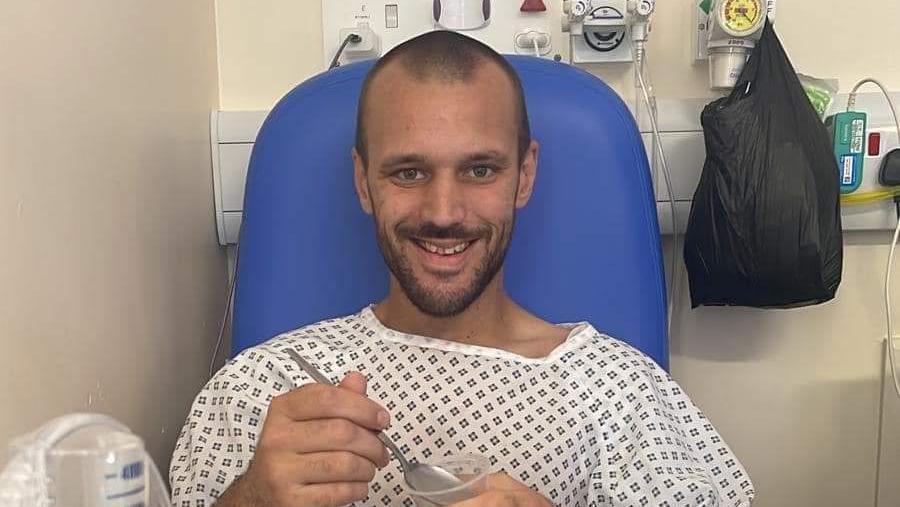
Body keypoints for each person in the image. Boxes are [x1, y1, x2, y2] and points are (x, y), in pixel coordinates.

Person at [170, 31, 754, 507]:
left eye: (479, 171)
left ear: (524, 176)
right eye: (407, 172)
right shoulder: (265, 389)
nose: (443, 213)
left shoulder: (615, 394)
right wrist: (250, 499)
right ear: (362, 182)